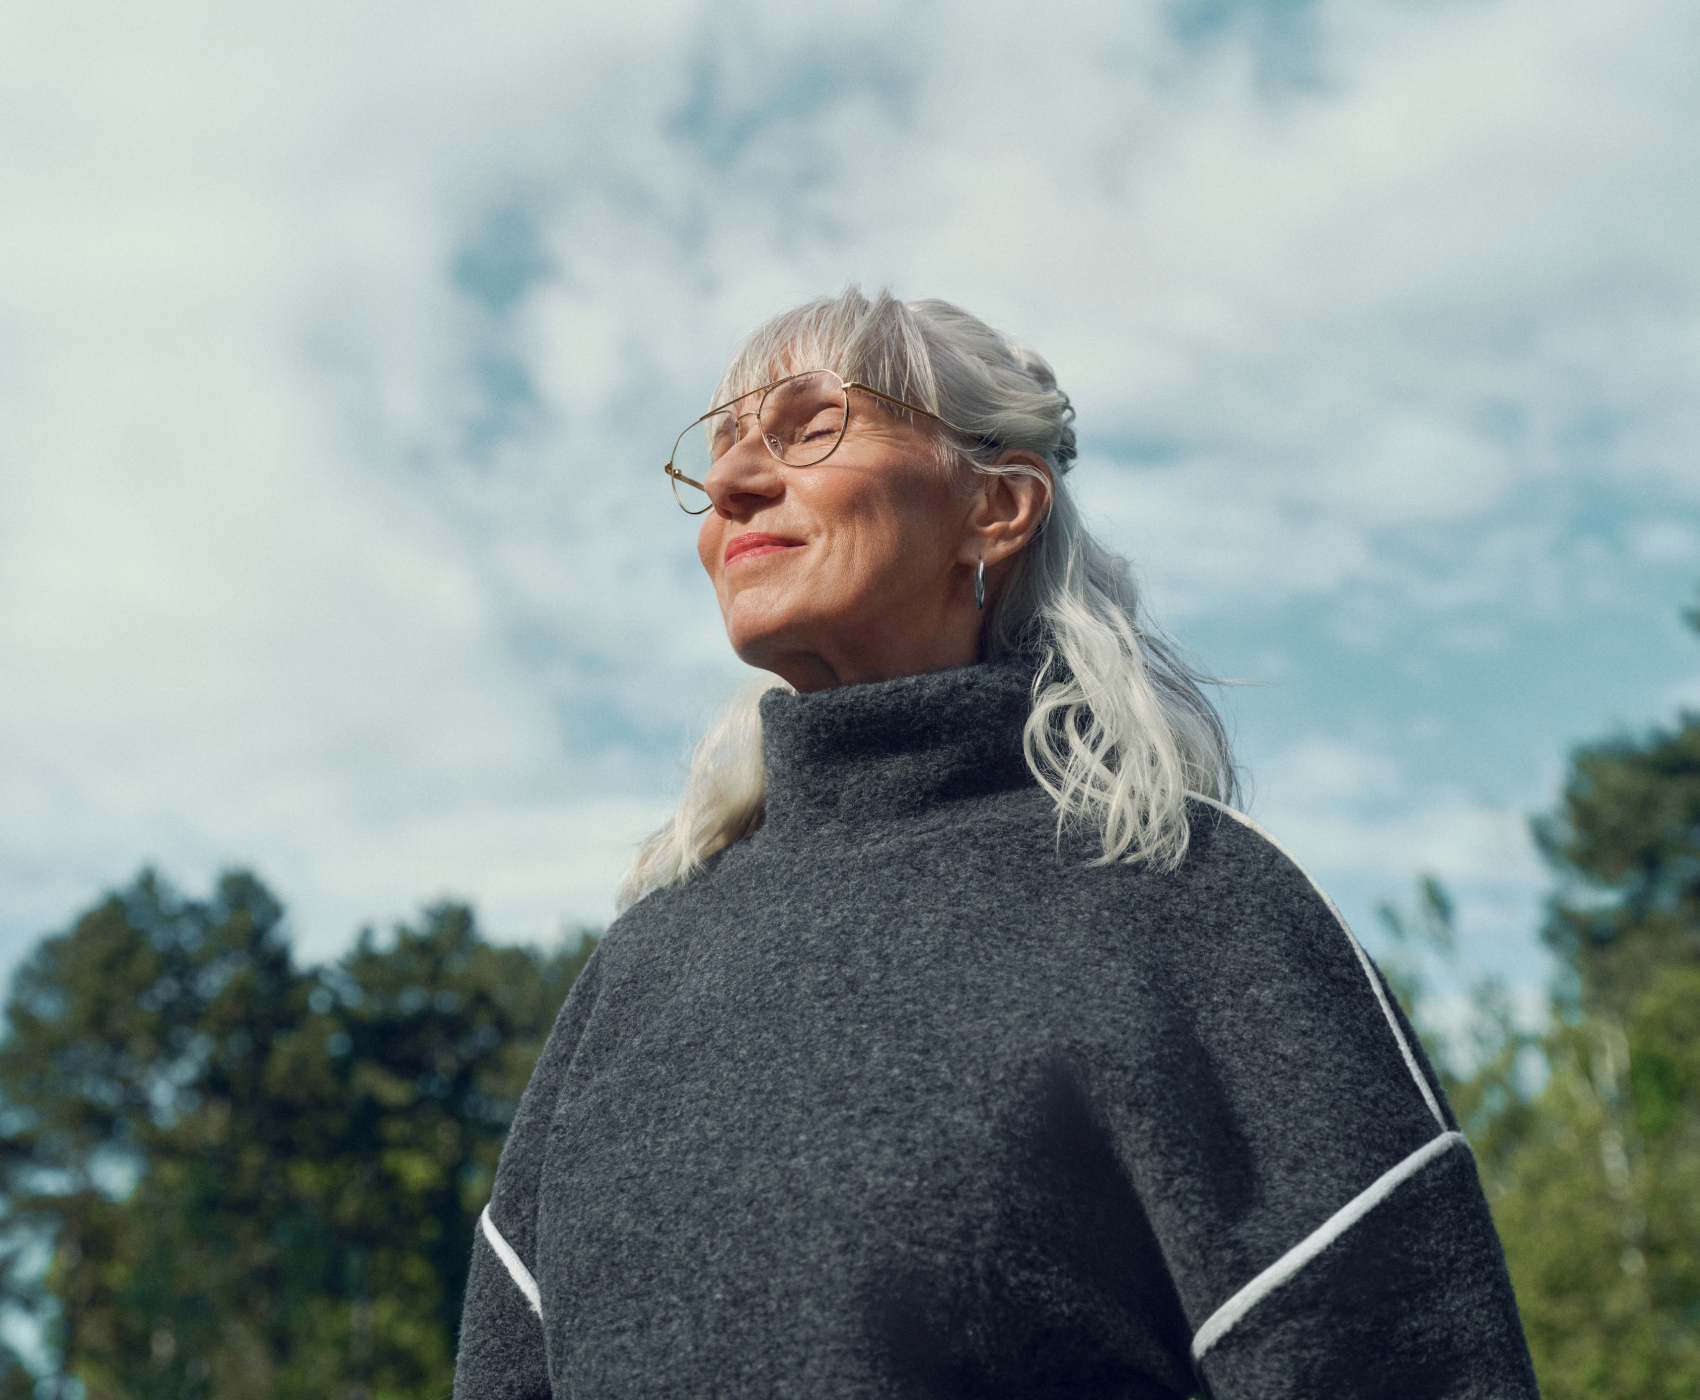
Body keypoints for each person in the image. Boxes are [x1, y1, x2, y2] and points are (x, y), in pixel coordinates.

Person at [453, 289, 1538, 1398]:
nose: (731, 482)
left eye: (809, 426)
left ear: (998, 506)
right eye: (719, 449)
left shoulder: (1194, 905)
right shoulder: (639, 971)